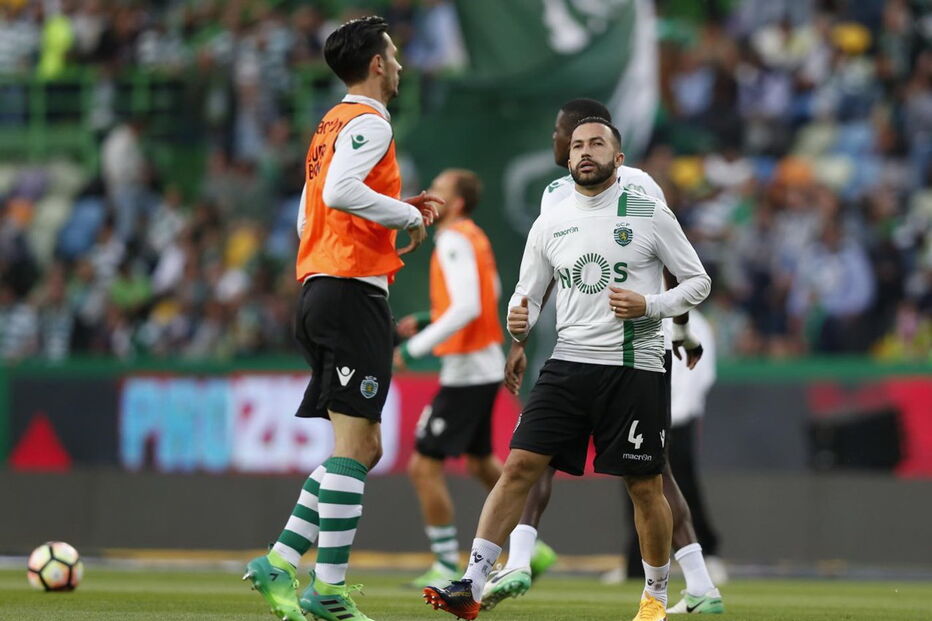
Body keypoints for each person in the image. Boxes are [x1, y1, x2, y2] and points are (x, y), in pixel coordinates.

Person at [423, 118, 711, 621]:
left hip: (634, 365)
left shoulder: (648, 213)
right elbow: (527, 295)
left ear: (618, 159)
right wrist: (520, 320)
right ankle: (471, 582)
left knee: (645, 486)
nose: (585, 151)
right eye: (577, 145)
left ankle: (655, 597)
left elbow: (697, 282)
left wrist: (649, 304)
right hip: (567, 363)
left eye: (596, 143)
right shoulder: (550, 222)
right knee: (517, 468)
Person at [243, 16, 441, 621]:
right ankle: (326, 590)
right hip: (350, 291)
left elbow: (309, 210)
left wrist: (325, 264)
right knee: (357, 447)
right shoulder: (371, 121)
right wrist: (404, 216)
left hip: (324, 287)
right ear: (377, 64)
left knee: (362, 447)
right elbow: (338, 194)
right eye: (396, 54)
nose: (401, 64)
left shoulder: (329, 124)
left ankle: (281, 561)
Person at [394, 169, 505, 589]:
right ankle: (530, 539)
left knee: (423, 466)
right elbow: (489, 291)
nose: (428, 196)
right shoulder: (474, 235)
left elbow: (468, 307)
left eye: (438, 191)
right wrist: (428, 319)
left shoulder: (454, 239)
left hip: (468, 370)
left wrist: (412, 349)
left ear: (456, 203)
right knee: (479, 462)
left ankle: (444, 561)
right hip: (481, 365)